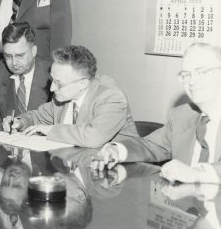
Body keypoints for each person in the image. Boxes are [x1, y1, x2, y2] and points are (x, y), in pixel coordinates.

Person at [93, 43, 221, 184]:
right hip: (188, 203)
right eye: (186, 74)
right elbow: (151, 145)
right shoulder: (182, 115)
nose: (192, 81)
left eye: (202, 72)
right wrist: (117, 150)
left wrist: (198, 173)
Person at [9, 45, 138, 148]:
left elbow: (93, 138)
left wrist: (52, 130)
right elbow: (38, 116)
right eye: (52, 80)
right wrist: (20, 122)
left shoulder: (111, 98)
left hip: (118, 172)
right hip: (76, 166)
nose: (52, 88)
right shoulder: (64, 97)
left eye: (58, 83)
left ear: (83, 84)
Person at [0, 22, 50, 126]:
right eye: (8, 56)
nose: (14, 63)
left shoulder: (51, 75)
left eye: (20, 55)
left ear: (34, 51)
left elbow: (58, 119)